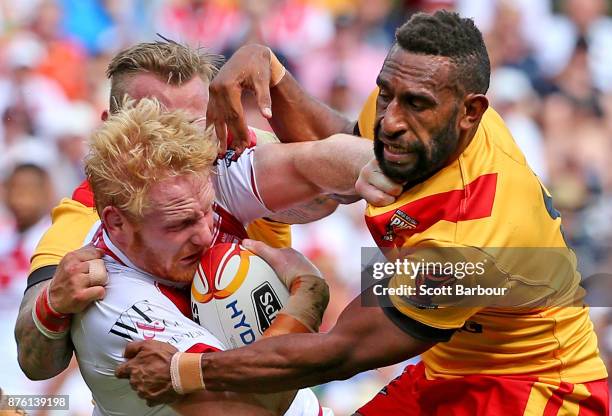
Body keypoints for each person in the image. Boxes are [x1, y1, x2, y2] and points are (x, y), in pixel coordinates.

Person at [118, 11, 609, 414]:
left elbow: (340, 352)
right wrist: (270, 70)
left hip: (536, 393)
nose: (390, 119)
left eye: (414, 103)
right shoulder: (424, 110)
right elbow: (346, 150)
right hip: (452, 357)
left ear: (471, 112)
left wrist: (185, 370)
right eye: (386, 92)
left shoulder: (471, 242)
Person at [14, 40, 392, 382]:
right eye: (159, 126)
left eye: (195, 126)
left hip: (270, 372)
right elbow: (36, 362)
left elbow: (343, 182)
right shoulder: (84, 220)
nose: (180, 144)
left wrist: (273, 72)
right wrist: (51, 304)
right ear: (114, 130)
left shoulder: (227, 154)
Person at [73, 96, 323, 415]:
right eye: (181, 223)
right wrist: (310, 296)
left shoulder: (185, 194)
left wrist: (276, 73)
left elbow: (339, 171)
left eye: (207, 211)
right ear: (116, 223)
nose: (206, 234)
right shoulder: (117, 307)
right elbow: (254, 407)